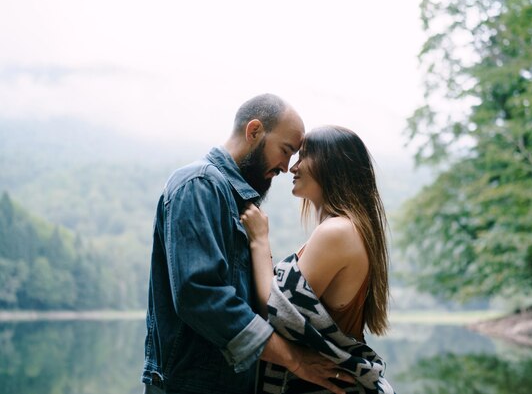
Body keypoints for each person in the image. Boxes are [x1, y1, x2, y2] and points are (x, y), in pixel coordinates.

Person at [141, 94, 354, 394]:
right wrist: (294, 359)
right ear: (254, 131)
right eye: (285, 150)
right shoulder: (199, 184)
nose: (286, 167)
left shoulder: (238, 202)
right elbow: (200, 295)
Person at [241, 125, 394, 393]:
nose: (292, 167)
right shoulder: (347, 229)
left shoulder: (338, 231)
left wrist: (259, 241)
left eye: (304, 156)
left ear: (332, 164)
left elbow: (275, 311)